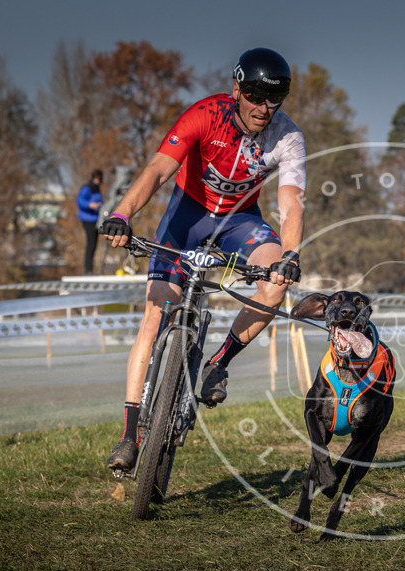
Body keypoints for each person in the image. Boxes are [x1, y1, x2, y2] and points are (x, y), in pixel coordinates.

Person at [100, 47, 306, 471]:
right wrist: (122, 215)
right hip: (187, 215)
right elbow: (158, 170)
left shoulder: (287, 137)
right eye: (254, 95)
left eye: (274, 99)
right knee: (155, 314)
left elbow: (291, 201)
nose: (264, 108)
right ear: (236, 89)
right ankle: (129, 433)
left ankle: (217, 365)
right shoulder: (204, 115)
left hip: (239, 222)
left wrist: (290, 255)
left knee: (275, 282)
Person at [76, 169, 104, 274]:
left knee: (94, 245)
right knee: (90, 244)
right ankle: (88, 270)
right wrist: (90, 205)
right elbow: (79, 200)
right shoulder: (87, 188)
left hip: (96, 220)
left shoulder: (97, 190)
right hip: (88, 219)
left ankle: (90, 269)